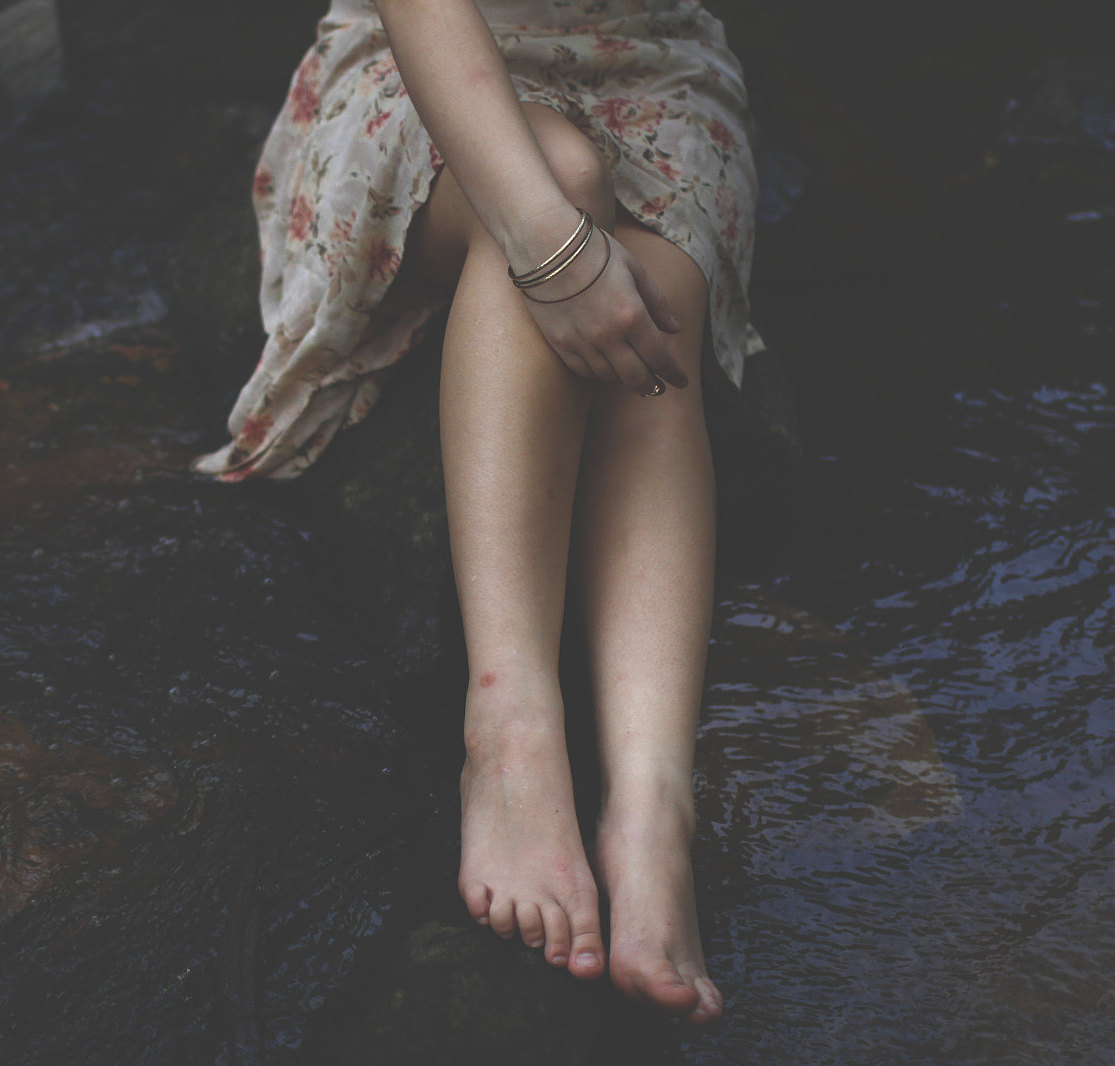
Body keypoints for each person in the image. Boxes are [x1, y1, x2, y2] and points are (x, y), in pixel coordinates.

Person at [194, 0, 764, 1026]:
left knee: (655, 302)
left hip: (651, 65)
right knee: (557, 193)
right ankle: (510, 731)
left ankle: (650, 809)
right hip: (427, 70)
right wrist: (557, 251)